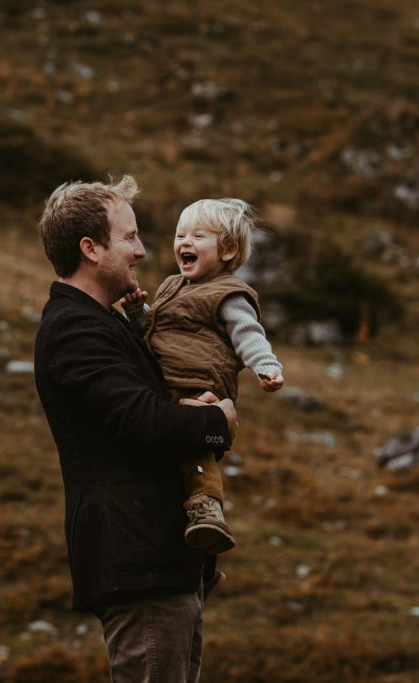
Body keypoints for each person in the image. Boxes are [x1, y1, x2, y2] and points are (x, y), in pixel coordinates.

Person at [34, 175, 238, 683]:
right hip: (138, 562)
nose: (143, 251)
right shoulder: (73, 329)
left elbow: (144, 410)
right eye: (128, 238)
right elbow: (142, 422)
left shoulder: (106, 321)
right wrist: (217, 422)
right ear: (90, 248)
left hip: (163, 564)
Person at [122, 198, 283, 555]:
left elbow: (248, 334)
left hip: (200, 384)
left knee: (195, 450)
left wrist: (266, 366)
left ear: (228, 249)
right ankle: (197, 565)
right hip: (165, 381)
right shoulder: (171, 285)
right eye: (180, 235)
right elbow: (157, 328)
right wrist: (137, 312)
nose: (185, 243)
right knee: (165, 464)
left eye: (198, 235)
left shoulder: (229, 295)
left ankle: (207, 512)